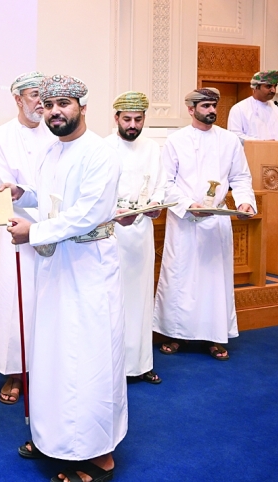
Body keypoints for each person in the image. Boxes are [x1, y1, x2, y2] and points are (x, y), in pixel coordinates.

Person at [4, 74, 126, 482]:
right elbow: (52, 196)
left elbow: (88, 213)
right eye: (49, 105)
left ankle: (96, 453)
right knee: (53, 352)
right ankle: (52, 437)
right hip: (55, 266)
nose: (54, 112)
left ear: (83, 108)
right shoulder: (51, 152)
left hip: (88, 267)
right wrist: (25, 195)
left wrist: (33, 232)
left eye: (64, 105)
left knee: (86, 357)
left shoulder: (101, 153)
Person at [153, 88, 256, 362]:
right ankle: (174, 334)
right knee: (180, 278)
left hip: (217, 222)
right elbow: (166, 183)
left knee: (214, 281)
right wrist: (188, 205)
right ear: (191, 109)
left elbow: (241, 177)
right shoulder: (175, 141)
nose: (212, 110)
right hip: (185, 220)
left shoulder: (230, 140)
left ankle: (214, 336)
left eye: (214, 105)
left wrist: (246, 203)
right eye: (206, 106)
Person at [0, 71, 55, 405]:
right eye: (33, 95)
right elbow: (8, 189)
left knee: (49, 300)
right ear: (17, 99)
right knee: (18, 301)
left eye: (45, 94)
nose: (41, 102)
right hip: (17, 229)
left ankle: (47, 370)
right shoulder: (1, 136)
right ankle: (16, 372)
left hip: (56, 230)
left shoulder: (57, 133)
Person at [104, 91, 165, 385]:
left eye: (137, 119)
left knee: (140, 298)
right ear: (115, 118)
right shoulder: (102, 148)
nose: (132, 125)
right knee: (115, 300)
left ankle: (141, 363)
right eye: (126, 119)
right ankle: (113, 367)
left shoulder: (153, 149)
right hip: (111, 235)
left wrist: (155, 207)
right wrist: (114, 211)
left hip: (141, 234)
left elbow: (162, 185)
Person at [227, 70, 278, 142]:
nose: (273, 90)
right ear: (256, 87)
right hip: (251, 152)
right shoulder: (239, 109)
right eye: (268, 86)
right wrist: (262, 143)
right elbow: (235, 136)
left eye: (275, 86)